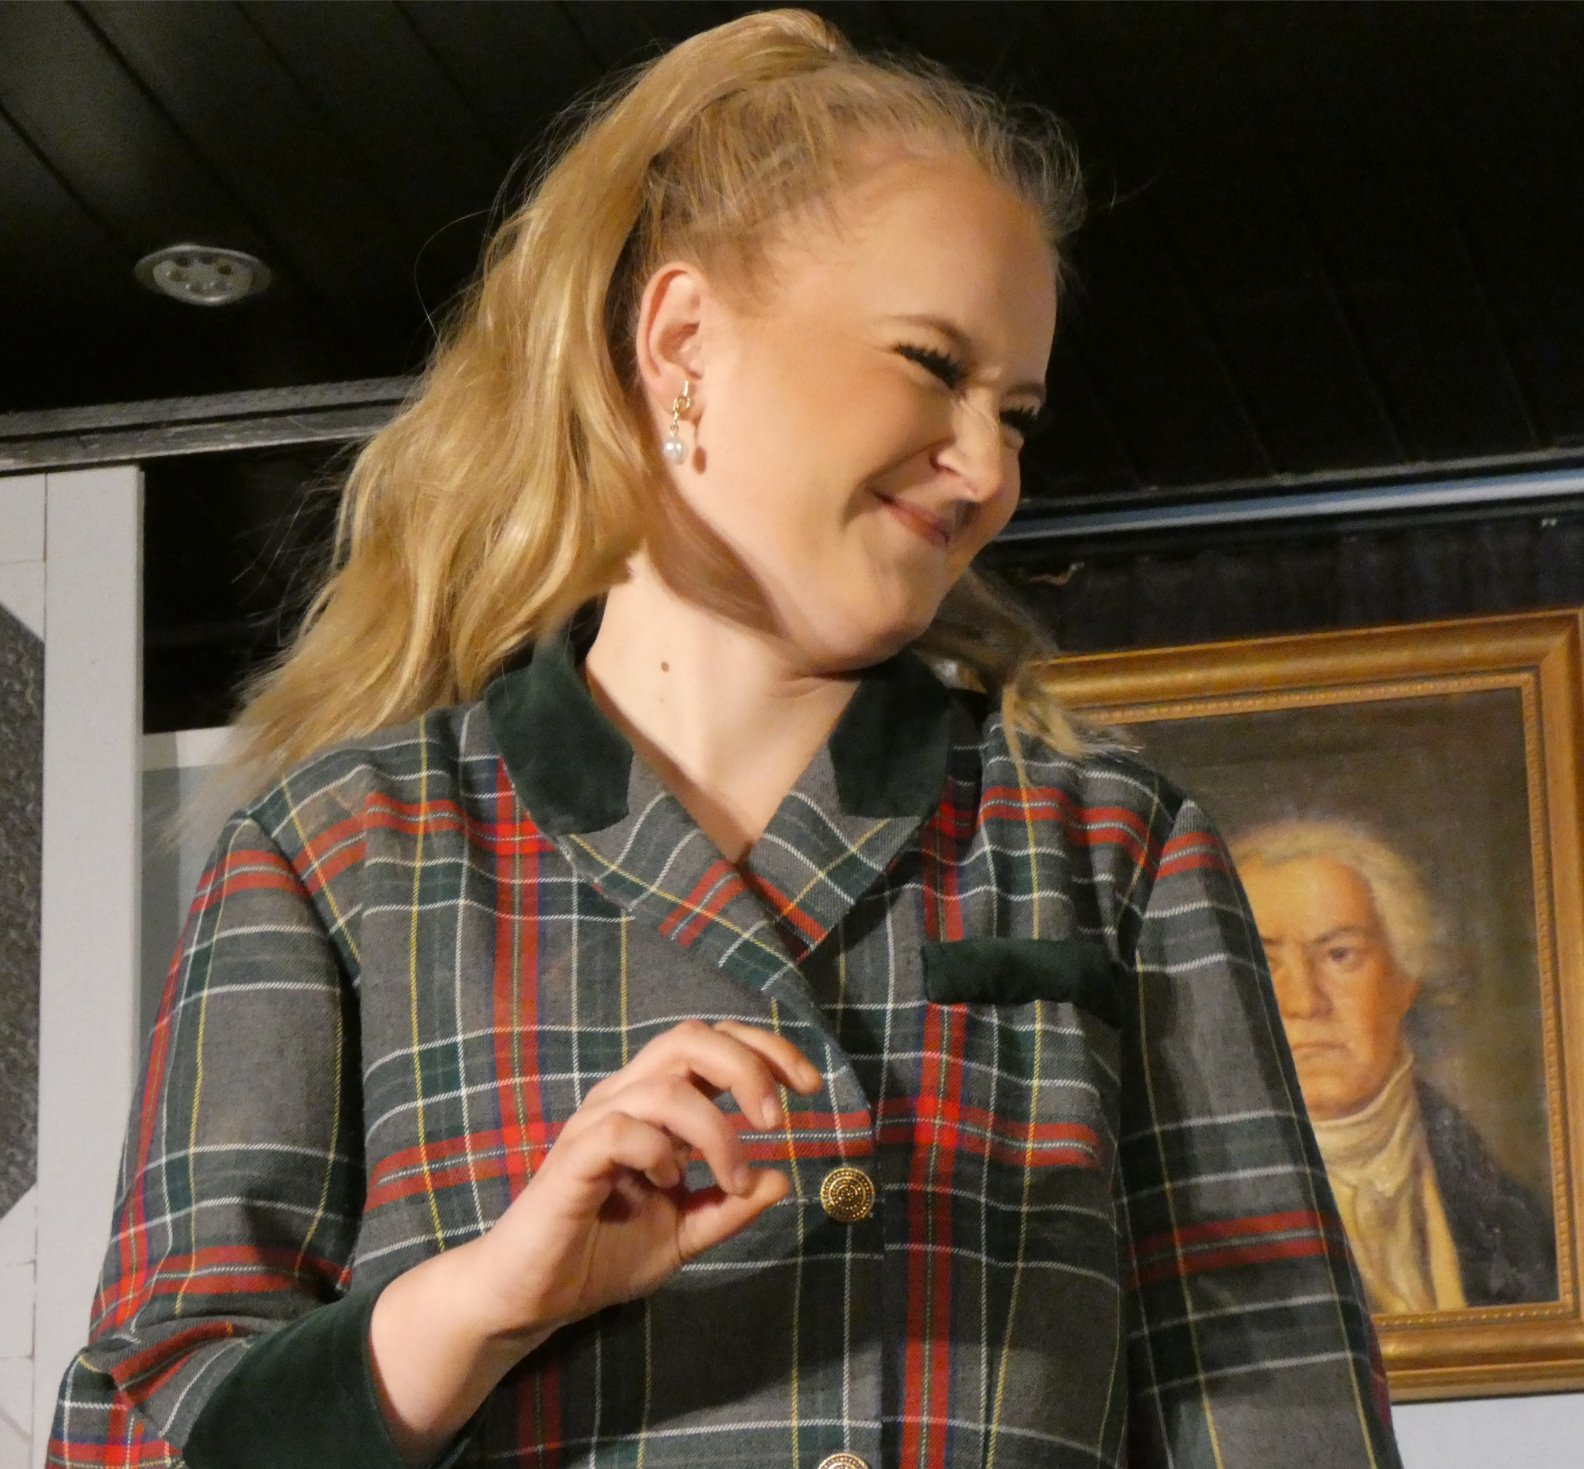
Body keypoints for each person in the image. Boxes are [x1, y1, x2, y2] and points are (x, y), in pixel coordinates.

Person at [50, 11, 1400, 1468]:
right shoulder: (343, 855)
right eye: (932, 365)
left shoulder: (1111, 848)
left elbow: (1288, 1416)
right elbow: (134, 1439)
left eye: (1016, 412)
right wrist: (481, 1303)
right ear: (684, 340)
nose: (988, 466)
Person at [1233, 817, 1557, 1313]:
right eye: (1262, 961)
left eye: (1340, 955)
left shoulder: (1515, 1224)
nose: (1304, 1002)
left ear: (1405, 980)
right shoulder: (1178, 1204)